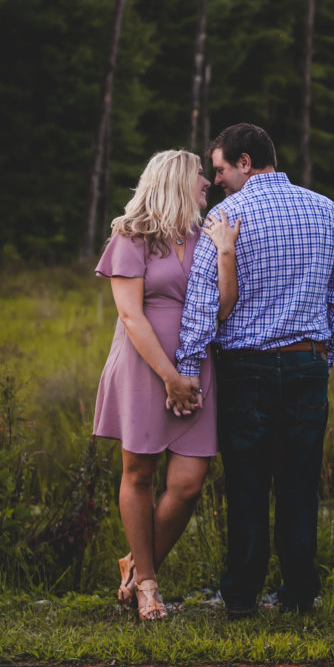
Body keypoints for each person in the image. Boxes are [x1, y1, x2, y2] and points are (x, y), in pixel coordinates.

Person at [175, 123, 334, 618]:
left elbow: (200, 304)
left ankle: (240, 599)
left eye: (220, 169)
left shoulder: (224, 218)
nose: (216, 181)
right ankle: (299, 597)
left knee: (247, 486)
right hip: (306, 366)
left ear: (246, 163)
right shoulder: (328, 211)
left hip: (245, 370)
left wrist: (188, 366)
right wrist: (322, 357)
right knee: (300, 485)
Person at [93, 149, 240, 621]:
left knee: (189, 483)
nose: (208, 183)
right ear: (179, 180)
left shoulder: (204, 236)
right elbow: (131, 316)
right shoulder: (132, 235)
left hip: (196, 367)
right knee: (139, 473)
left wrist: (225, 252)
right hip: (144, 366)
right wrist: (168, 377)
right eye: (201, 175)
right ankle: (148, 587)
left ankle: (136, 564)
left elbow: (223, 309)